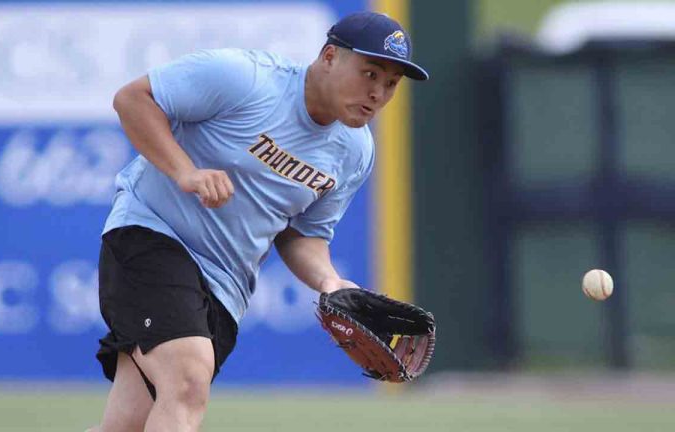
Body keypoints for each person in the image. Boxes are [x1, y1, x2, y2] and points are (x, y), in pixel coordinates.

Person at [88, 11, 428, 432]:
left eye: (390, 84)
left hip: (226, 288)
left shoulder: (353, 152)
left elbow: (303, 235)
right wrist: (185, 172)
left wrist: (329, 281)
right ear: (328, 57)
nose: (378, 92)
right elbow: (132, 99)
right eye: (369, 73)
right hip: (152, 234)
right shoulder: (246, 79)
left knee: (127, 425)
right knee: (188, 379)